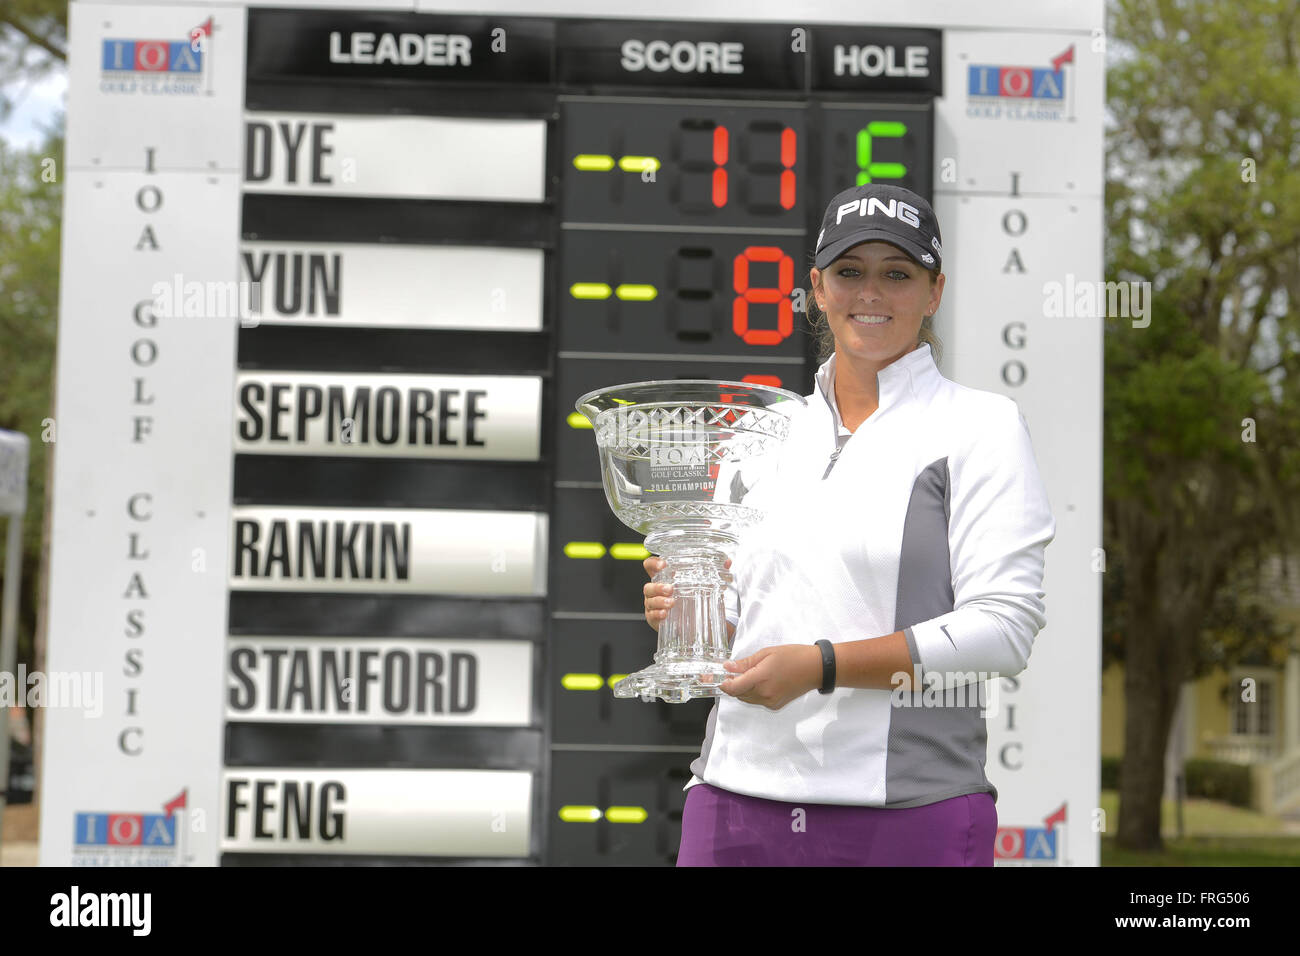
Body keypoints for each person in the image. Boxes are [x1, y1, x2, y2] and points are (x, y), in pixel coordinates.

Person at [641, 183, 1056, 866]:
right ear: (817, 289)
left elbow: (1003, 630)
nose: (872, 292)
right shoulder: (760, 432)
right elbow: (742, 624)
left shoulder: (982, 427)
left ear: (933, 292)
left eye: (897, 274)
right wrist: (689, 611)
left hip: (908, 818)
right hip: (733, 804)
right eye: (849, 272)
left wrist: (824, 666)